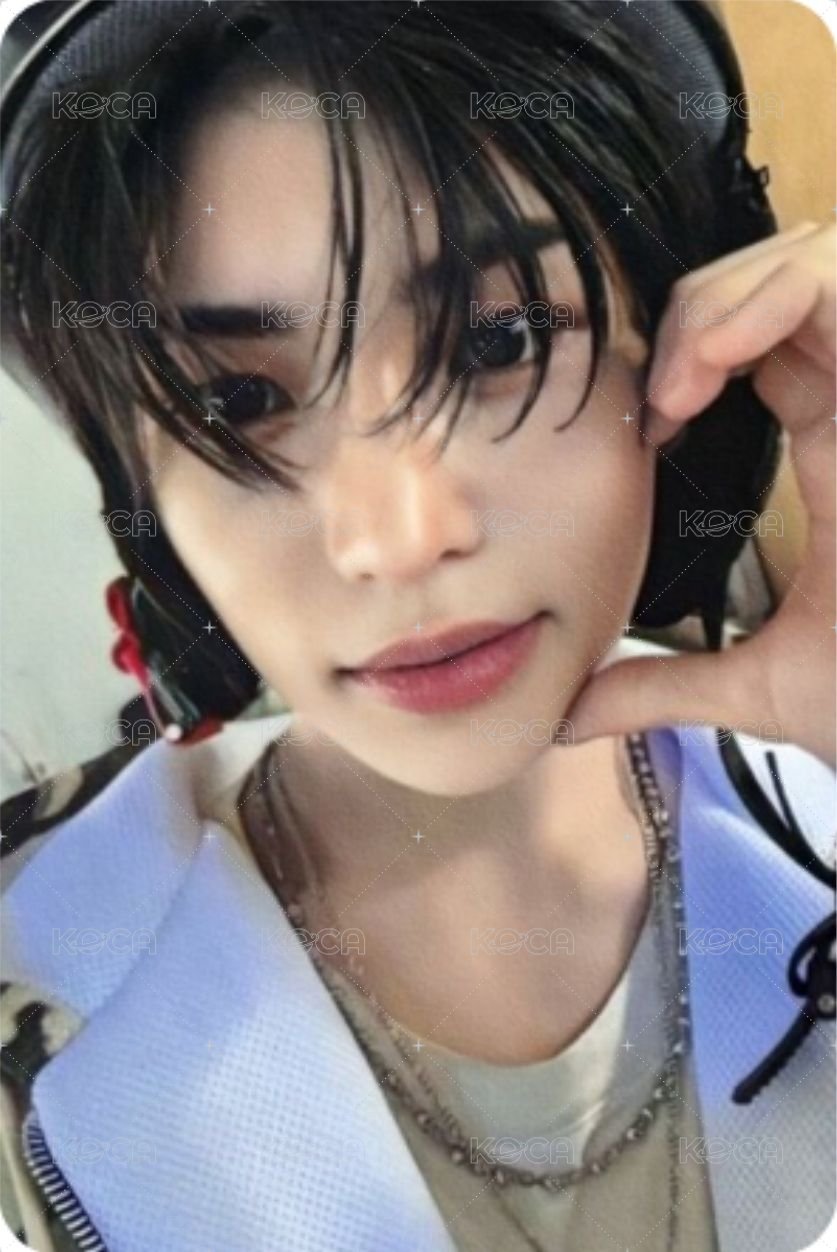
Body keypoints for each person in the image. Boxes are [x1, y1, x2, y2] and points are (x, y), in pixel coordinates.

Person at [0, 3, 834, 1251]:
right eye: (237, 400)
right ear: (149, 522)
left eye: (500, 338)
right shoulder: (37, 964)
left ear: (684, 384)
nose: (397, 538)